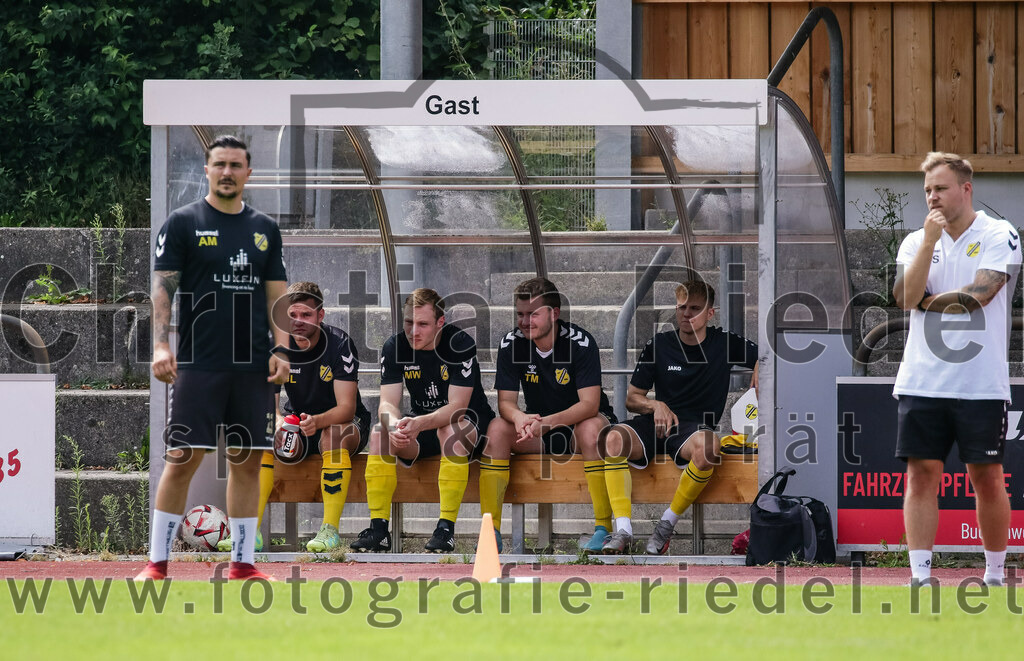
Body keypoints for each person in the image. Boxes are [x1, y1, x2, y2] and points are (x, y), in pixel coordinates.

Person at [135, 135, 289, 582]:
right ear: (206, 169)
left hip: (253, 366)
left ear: (248, 172)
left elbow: (276, 296)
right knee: (182, 458)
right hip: (200, 365)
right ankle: (156, 565)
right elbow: (163, 288)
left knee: (246, 463)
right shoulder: (182, 223)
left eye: (235, 165)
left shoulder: (265, 229)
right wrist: (162, 345)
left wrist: (281, 349)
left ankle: (243, 565)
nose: (227, 172)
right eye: (219, 164)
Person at [892, 152, 1021, 587]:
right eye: (928, 190)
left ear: (966, 189)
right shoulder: (914, 241)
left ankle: (995, 574)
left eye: (941, 188)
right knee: (921, 475)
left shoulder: (999, 233)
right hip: (922, 380)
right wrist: (929, 243)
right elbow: (905, 298)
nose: (933, 197)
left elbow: (980, 295)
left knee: (986, 478)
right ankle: (920, 577)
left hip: (980, 383)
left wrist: (930, 302)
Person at [597, 280, 758, 554]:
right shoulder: (660, 344)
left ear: (710, 313)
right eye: (682, 307)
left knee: (710, 447)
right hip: (655, 423)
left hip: (692, 429)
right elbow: (632, 397)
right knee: (612, 438)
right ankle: (622, 530)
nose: (686, 314)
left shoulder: (725, 343)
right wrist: (655, 405)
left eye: (695, 308)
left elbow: (768, 354)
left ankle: (666, 525)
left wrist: (760, 367)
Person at [216, 281, 371, 554]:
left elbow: (346, 407)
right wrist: (277, 421)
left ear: (320, 315)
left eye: (306, 315)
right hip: (299, 422)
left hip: (344, 425)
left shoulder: (339, 344)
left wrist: (318, 422)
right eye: (292, 315)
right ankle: (249, 532)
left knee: (332, 434)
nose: (298, 322)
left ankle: (330, 532)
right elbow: (270, 404)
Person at [350, 288, 494, 553]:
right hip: (424, 425)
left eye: (423, 324)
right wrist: (394, 424)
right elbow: (388, 403)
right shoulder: (395, 346)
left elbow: (457, 409)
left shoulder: (459, 343)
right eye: (409, 322)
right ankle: (378, 529)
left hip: (468, 425)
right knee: (380, 433)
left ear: (441, 323)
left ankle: (445, 530)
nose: (413, 331)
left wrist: (417, 424)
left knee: (450, 431)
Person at [483, 277, 617, 553]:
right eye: (520, 314)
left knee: (590, 428)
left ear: (554, 314)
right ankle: (490, 530)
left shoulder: (579, 342)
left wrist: (544, 423)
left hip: (578, 427)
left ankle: (603, 528)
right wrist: (520, 419)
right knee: (497, 428)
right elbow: (505, 403)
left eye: (533, 314)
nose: (525, 321)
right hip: (539, 429)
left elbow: (589, 404)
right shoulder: (511, 344)